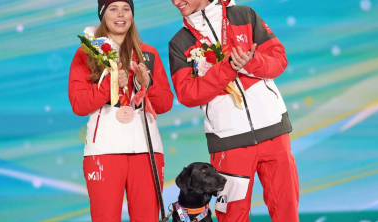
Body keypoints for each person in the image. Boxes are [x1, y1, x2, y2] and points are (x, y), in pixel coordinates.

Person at [169, 0, 299, 221]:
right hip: (227, 140)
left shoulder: (243, 15)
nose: (176, 2)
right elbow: (188, 95)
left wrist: (251, 61)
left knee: (286, 209)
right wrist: (228, 67)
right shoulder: (180, 42)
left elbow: (279, 59)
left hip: (273, 130)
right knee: (232, 216)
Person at [68, 0, 174, 221]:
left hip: (147, 149)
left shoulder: (148, 53)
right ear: (102, 14)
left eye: (126, 9)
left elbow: (165, 104)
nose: (121, 15)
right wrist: (110, 85)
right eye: (113, 9)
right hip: (104, 150)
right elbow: (78, 104)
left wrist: (148, 84)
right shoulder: (87, 53)